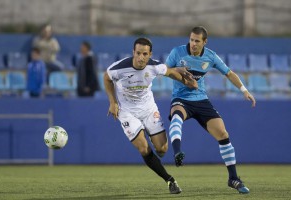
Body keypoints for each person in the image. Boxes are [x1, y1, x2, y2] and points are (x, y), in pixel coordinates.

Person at [165, 26, 256, 194]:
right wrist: (177, 71)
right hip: (181, 98)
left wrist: (244, 90)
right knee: (176, 115)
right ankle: (177, 152)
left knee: (223, 134)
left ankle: (233, 178)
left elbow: (229, 73)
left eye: (197, 41)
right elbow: (164, 71)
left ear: (204, 42)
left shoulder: (211, 56)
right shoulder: (177, 53)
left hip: (201, 100)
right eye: (191, 40)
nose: (193, 43)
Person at [104, 37, 197, 194]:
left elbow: (171, 73)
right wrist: (112, 102)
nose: (141, 57)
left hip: (148, 109)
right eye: (138, 53)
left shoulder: (154, 66)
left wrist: (187, 82)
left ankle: (153, 140)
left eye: (145, 54)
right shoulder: (119, 68)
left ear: (150, 54)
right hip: (127, 112)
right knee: (143, 148)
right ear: (133, 52)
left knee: (162, 149)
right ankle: (170, 180)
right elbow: (106, 78)